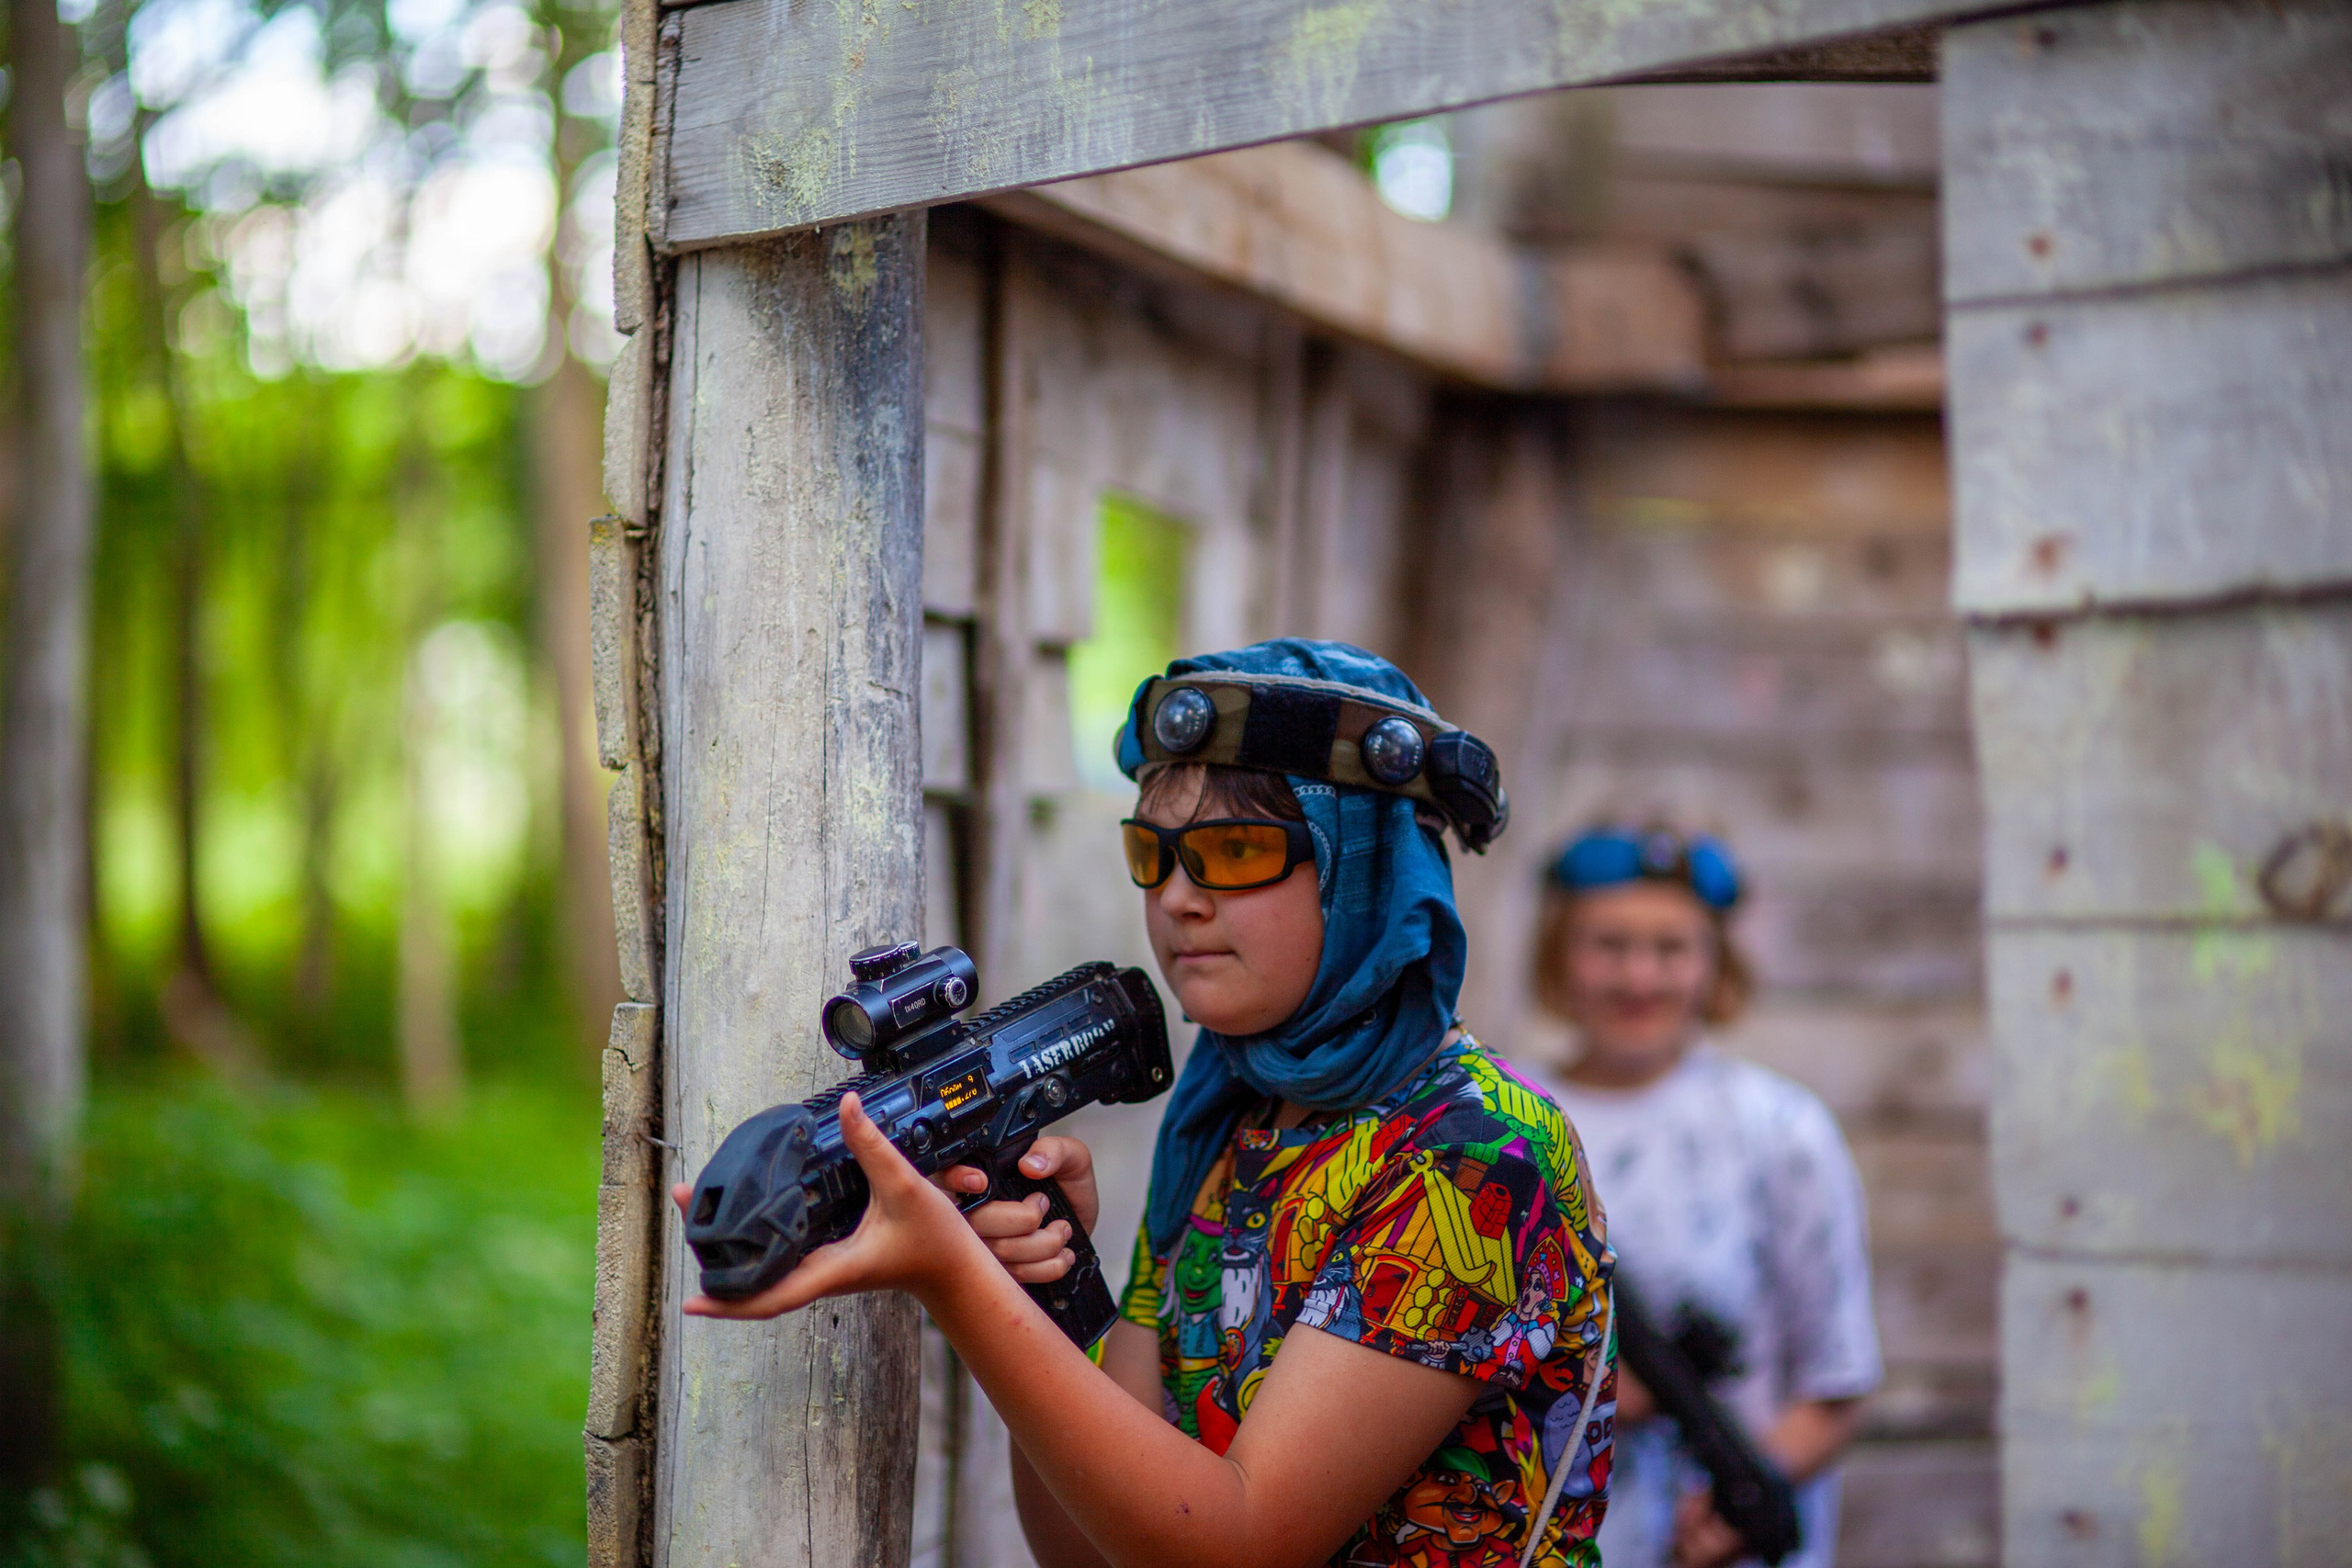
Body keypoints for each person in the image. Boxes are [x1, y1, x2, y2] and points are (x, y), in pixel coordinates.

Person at [677, 640, 1616, 1568]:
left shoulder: (1476, 1151)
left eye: (1235, 852)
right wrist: (1032, 1299)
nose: (1176, 898)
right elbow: (1085, 1547)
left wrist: (954, 1285)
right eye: (1151, 854)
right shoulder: (1232, 1122)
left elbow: (1236, 1543)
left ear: (1364, 870)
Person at [1526, 826, 1880, 1568]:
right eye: (1609, 944)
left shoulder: (1780, 1129)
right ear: (1558, 952)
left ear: (1716, 962)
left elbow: (1837, 1377)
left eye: (1671, 948)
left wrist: (1738, 1502)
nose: (1639, 977)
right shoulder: (1504, 1120)